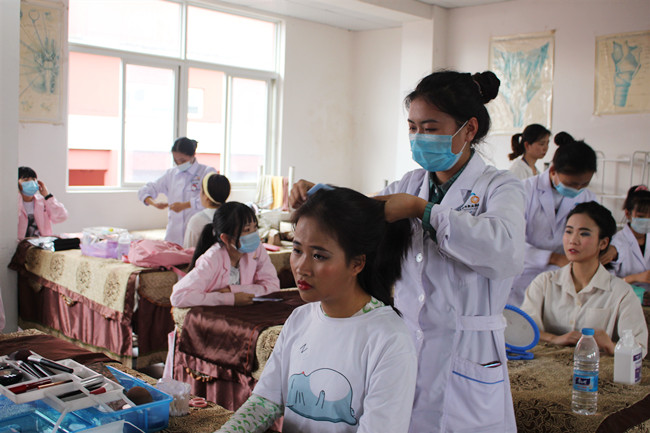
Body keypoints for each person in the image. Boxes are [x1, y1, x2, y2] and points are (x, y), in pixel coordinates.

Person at [290, 70, 526, 433]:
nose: (419, 138)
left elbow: (505, 251)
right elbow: (364, 208)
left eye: (430, 129)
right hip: (407, 344)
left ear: (469, 129)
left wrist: (423, 211)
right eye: (413, 128)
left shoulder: (500, 186)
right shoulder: (411, 183)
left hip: (470, 352)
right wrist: (321, 192)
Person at [217, 186, 417, 433]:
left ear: (357, 263)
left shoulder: (388, 338)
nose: (301, 267)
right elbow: (266, 401)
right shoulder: (300, 318)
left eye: (319, 256)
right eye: (297, 250)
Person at [521, 201, 648, 357]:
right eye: (568, 231)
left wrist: (610, 346)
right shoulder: (544, 282)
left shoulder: (621, 293)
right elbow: (524, 330)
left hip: (594, 370)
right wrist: (555, 339)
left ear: (603, 243)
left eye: (584, 233)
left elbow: (639, 348)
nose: (573, 240)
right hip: (546, 368)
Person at [509, 132, 597, 306]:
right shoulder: (524, 190)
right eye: (572, 184)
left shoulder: (587, 198)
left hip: (564, 277)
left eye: (584, 184)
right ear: (553, 171)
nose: (578, 189)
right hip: (523, 274)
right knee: (523, 318)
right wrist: (554, 258)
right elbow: (509, 239)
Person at [170, 202, 279, 308]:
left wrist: (233, 290)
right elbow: (178, 296)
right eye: (247, 230)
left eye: (255, 228)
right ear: (226, 238)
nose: (254, 235)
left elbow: (273, 287)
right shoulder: (212, 259)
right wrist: (229, 299)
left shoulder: (257, 249)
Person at [138, 137, 216, 246]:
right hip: (173, 235)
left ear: (193, 155)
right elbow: (145, 190)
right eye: (176, 160)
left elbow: (211, 199)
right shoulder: (171, 174)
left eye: (183, 160)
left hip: (197, 232)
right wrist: (154, 203)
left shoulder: (207, 172)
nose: (179, 164)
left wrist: (185, 205)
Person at [603, 185, 650, 291]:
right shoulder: (616, 244)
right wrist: (635, 278)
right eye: (641, 216)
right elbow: (607, 283)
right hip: (624, 295)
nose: (647, 220)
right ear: (628, 214)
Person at [17, 166, 68, 241]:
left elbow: (61, 217)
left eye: (33, 179)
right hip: (19, 245)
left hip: (42, 243)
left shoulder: (42, 201)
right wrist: (17, 195)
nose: (31, 183)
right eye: (26, 180)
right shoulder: (12, 202)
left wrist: (47, 196)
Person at [182, 172, 230, 249]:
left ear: (207, 197)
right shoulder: (235, 215)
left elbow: (188, 251)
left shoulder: (196, 221)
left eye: (201, 191)